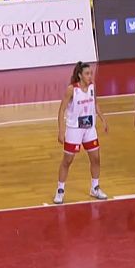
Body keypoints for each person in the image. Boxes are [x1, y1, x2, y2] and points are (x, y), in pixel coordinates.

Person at [54, 62, 109, 204]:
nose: (90, 76)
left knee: (96, 158)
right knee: (68, 160)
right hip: (74, 129)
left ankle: (95, 187)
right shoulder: (71, 90)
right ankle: (60, 190)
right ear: (80, 75)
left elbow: (95, 103)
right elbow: (61, 110)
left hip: (89, 128)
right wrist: (61, 131)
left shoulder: (92, 87)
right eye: (87, 73)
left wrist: (103, 118)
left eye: (91, 73)